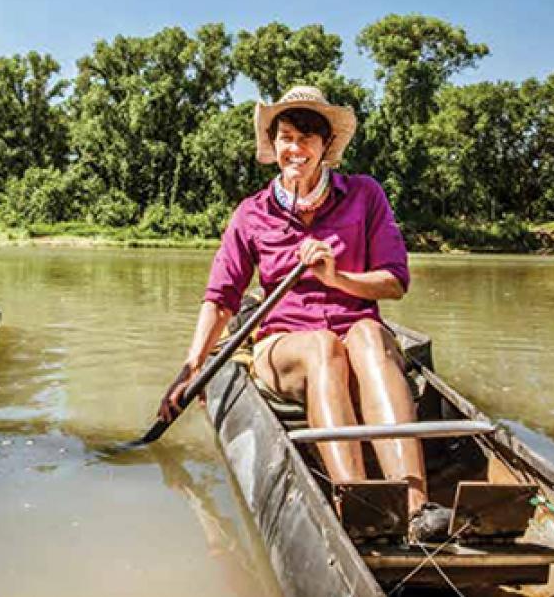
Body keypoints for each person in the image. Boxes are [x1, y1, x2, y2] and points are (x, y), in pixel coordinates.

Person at [158, 85, 451, 543]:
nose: (296, 148)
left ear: (326, 147)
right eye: (287, 137)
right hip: (285, 346)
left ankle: (417, 509)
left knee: (370, 336)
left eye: (308, 137)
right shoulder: (251, 214)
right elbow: (221, 297)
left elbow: (394, 282)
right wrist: (190, 367)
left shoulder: (365, 194)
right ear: (273, 145)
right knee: (322, 346)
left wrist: (338, 279)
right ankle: (358, 505)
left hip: (358, 337)